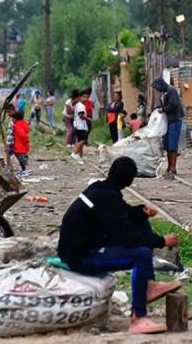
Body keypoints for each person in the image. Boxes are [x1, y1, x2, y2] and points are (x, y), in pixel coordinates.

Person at [58, 157, 181, 334]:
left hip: (87, 244)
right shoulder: (108, 197)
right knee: (141, 254)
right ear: (130, 181)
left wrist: (141, 211)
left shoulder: (102, 189)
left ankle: (149, 285)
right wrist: (161, 241)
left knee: (140, 222)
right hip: (81, 256)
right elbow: (127, 237)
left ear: (110, 172)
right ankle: (138, 317)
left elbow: (122, 213)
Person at [152, 78, 184, 179]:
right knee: (168, 145)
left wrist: (163, 109)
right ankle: (169, 167)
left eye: (157, 88)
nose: (158, 90)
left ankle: (173, 167)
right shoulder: (166, 92)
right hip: (169, 121)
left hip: (174, 120)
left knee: (172, 145)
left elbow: (173, 105)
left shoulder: (171, 90)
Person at [12, 110, 31, 177]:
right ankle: (23, 169)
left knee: (20, 159)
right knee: (21, 158)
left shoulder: (17, 126)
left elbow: (22, 135)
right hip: (23, 146)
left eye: (13, 118)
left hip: (19, 146)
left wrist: (26, 141)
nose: (12, 120)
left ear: (15, 118)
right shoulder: (23, 124)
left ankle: (24, 170)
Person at [71, 94, 88, 164]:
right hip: (81, 126)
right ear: (80, 97)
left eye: (87, 97)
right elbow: (81, 115)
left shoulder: (78, 105)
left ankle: (80, 157)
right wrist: (88, 118)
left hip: (77, 125)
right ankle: (75, 153)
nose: (86, 99)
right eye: (84, 97)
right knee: (83, 141)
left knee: (80, 141)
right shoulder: (81, 106)